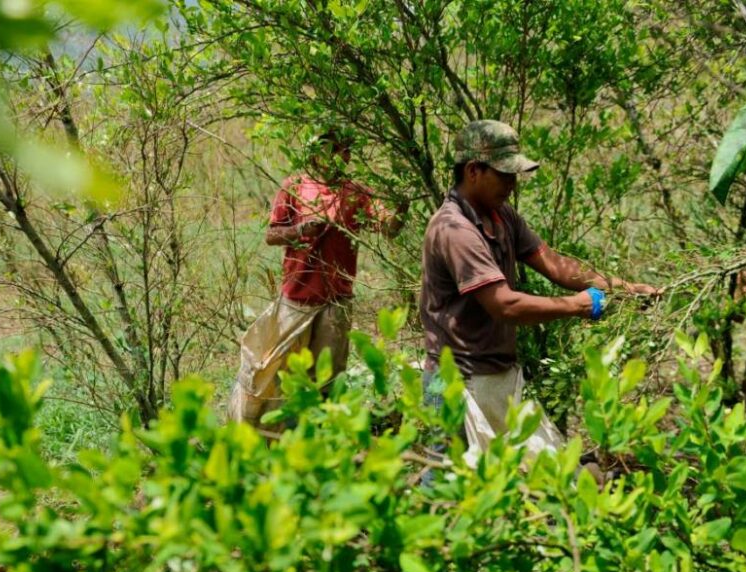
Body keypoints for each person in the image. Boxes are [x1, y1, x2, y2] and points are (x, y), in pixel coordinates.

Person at [420, 119, 657, 455]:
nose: (512, 184)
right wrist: (578, 306)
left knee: (520, 485)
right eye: (504, 174)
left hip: (496, 377)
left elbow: (556, 265)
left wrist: (625, 289)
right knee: (447, 489)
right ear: (473, 171)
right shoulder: (454, 229)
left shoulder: (502, 217)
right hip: (457, 381)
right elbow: (505, 305)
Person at [230, 130, 407, 426]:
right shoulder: (295, 187)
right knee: (278, 371)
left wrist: (403, 205)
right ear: (315, 154)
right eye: (333, 149)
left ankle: (320, 435)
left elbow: (388, 227)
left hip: (335, 301)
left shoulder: (356, 192)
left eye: (345, 149)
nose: (341, 156)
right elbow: (272, 235)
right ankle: (267, 433)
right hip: (296, 298)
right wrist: (299, 232)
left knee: (326, 378)